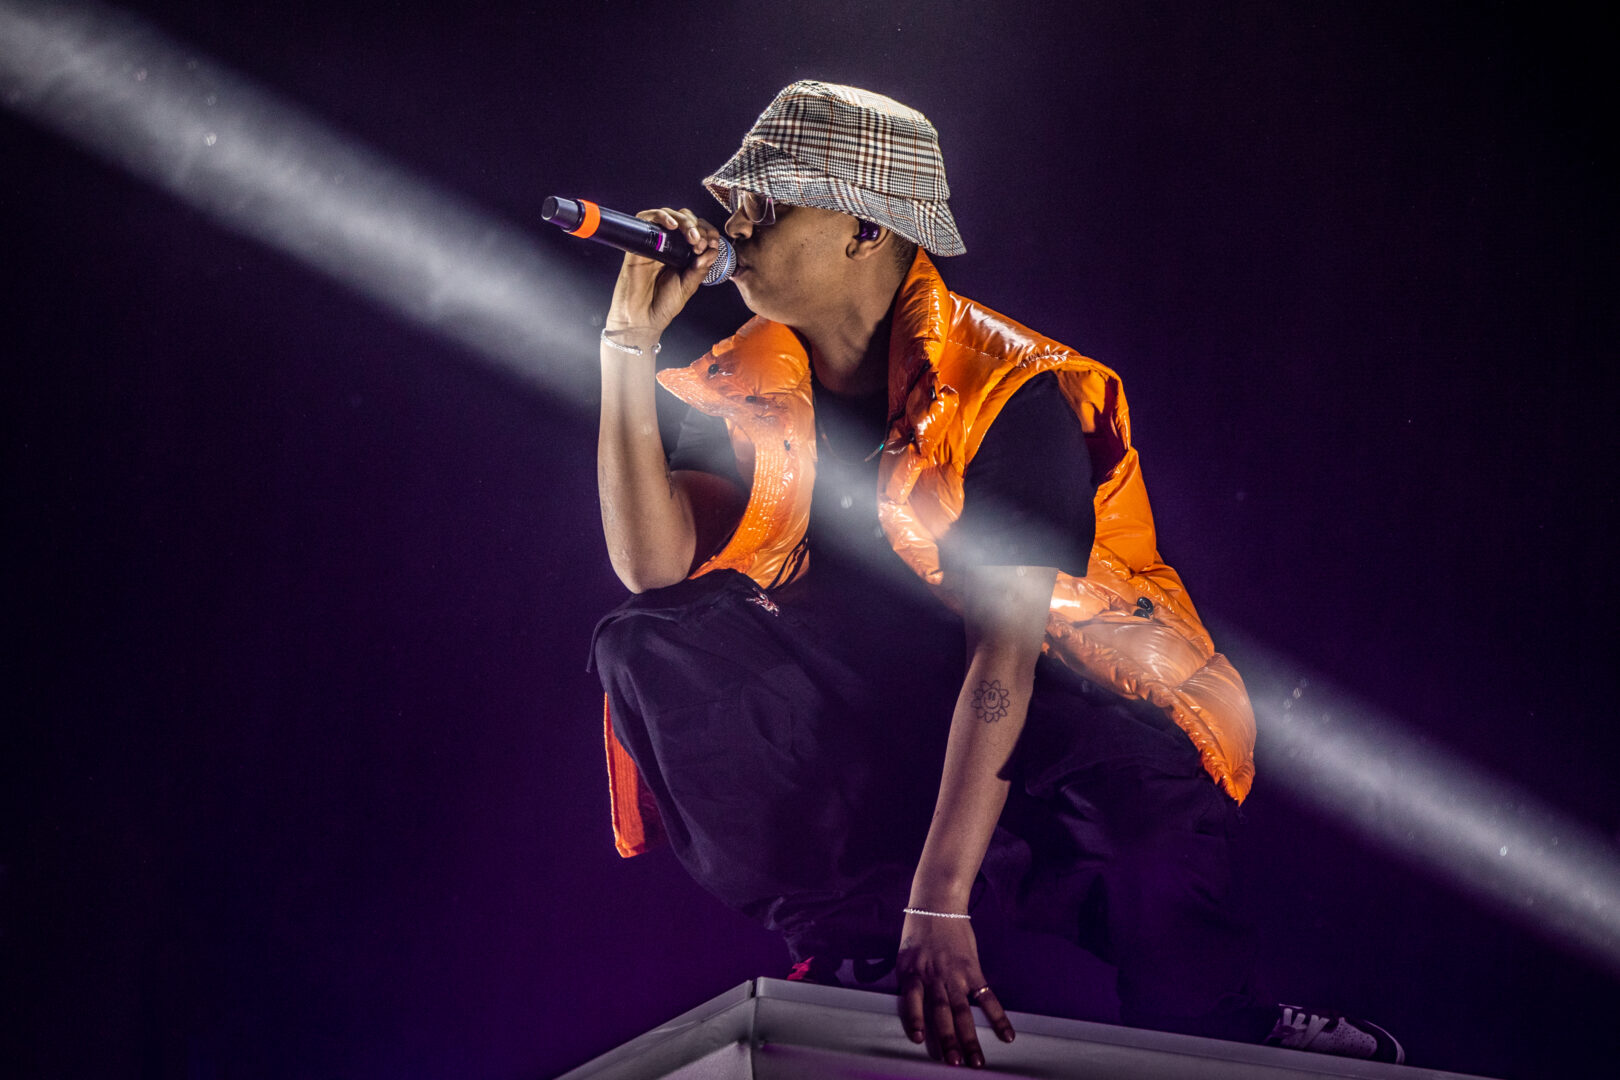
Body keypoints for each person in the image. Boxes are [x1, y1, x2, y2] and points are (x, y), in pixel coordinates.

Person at [587, 81, 1401, 1068]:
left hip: (1063, 711)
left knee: (1150, 871)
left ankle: (1226, 1019)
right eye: (737, 202)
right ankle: (855, 946)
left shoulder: (1008, 388)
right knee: (650, 641)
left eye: (770, 203)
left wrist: (940, 902)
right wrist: (627, 342)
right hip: (882, 710)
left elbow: (1003, 661)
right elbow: (652, 569)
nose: (736, 224)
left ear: (865, 231)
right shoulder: (743, 381)